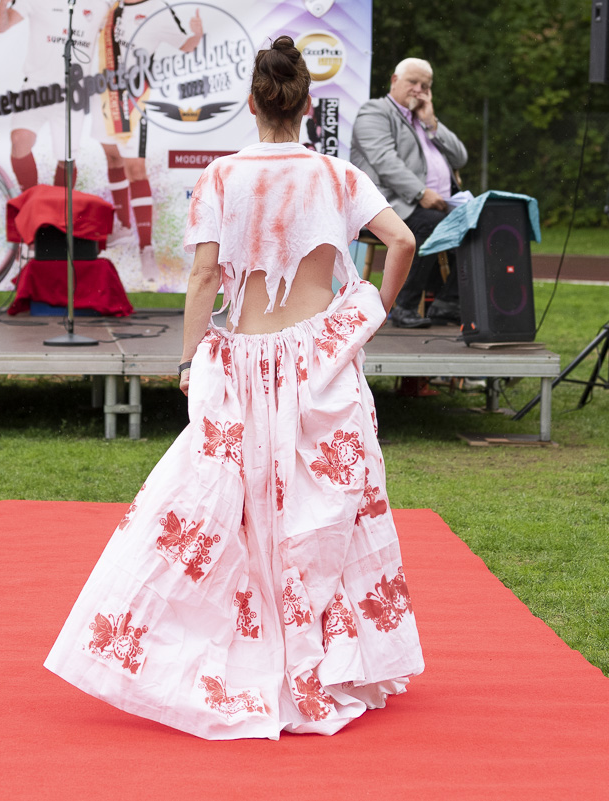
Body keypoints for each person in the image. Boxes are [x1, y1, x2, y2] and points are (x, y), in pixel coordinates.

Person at [45, 36, 424, 740]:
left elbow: (202, 277)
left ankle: (231, 651)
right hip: (319, 361)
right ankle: (326, 659)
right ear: (307, 105)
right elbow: (401, 240)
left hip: (246, 363)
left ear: (252, 102)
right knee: (325, 512)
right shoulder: (338, 175)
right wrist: (371, 311)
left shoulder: (221, 176)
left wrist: (191, 360)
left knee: (228, 507)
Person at [351, 57, 468, 328]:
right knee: (431, 224)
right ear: (394, 80)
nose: (419, 90)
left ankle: (448, 303)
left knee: (477, 224)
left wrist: (431, 122)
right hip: (386, 207)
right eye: (413, 82)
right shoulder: (375, 112)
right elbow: (384, 160)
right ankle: (403, 306)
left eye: (425, 86)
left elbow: (460, 158)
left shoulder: (423, 119)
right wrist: (420, 193)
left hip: (434, 205)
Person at [95, 1, 204, 285]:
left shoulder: (157, 9)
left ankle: (146, 248)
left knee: (136, 170)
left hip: (133, 102)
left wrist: (197, 34)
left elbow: (185, 46)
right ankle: (122, 226)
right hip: (102, 96)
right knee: (113, 158)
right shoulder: (108, 6)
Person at [0, 0, 110, 191]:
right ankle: (30, 198)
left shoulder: (102, 4)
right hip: (36, 87)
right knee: (19, 139)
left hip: (74, 92)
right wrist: (3, 3)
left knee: (66, 159)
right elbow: (0, 27)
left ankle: (58, 206)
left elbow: (116, 35)